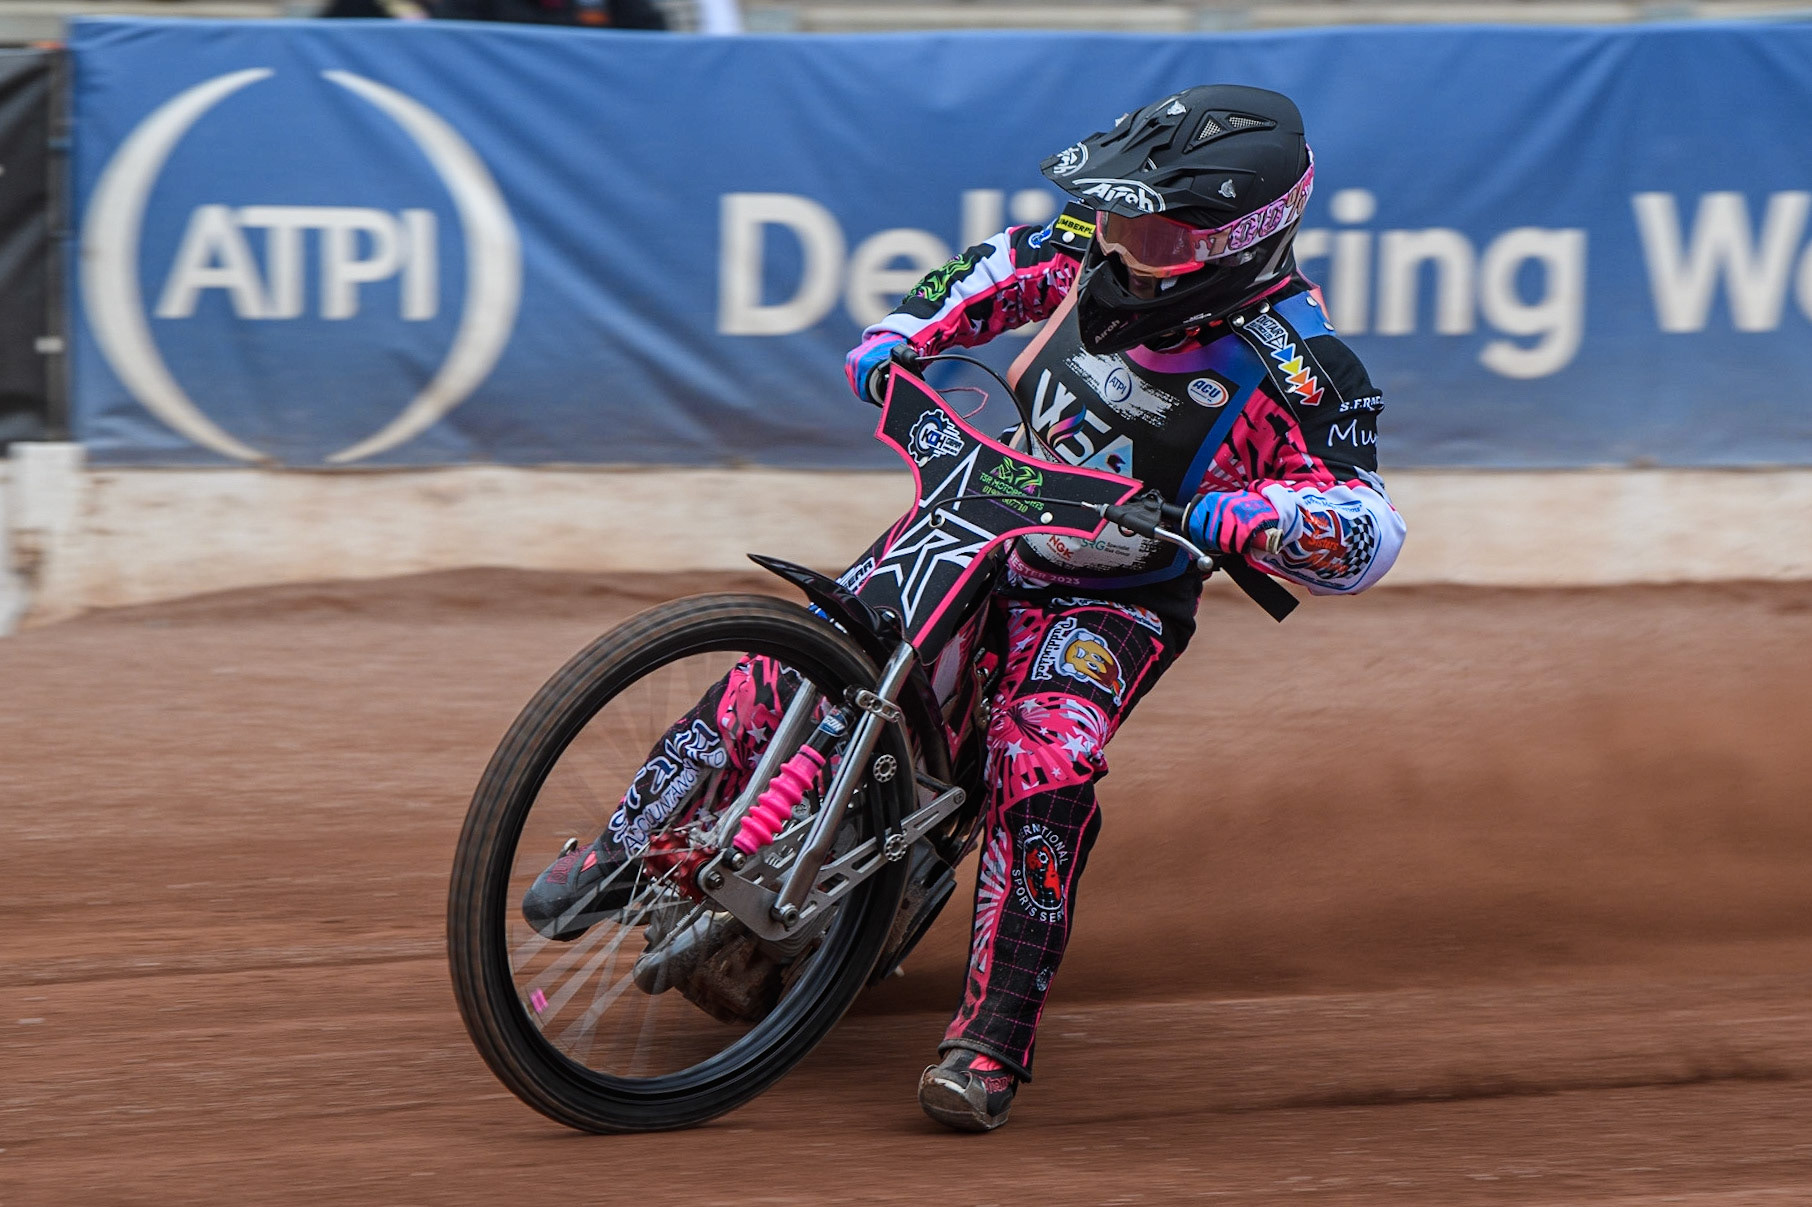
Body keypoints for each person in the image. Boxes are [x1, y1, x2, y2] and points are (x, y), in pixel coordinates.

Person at [523, 84, 1405, 1132]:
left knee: (1045, 753)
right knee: (807, 649)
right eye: (1116, 221)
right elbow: (999, 266)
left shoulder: (1296, 366)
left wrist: (1234, 513)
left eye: (1153, 233)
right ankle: (630, 838)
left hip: (1108, 598)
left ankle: (992, 1035)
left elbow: (1366, 524)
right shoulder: (1096, 243)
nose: (1120, 249)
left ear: (1240, 244)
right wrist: (901, 332)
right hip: (982, 512)